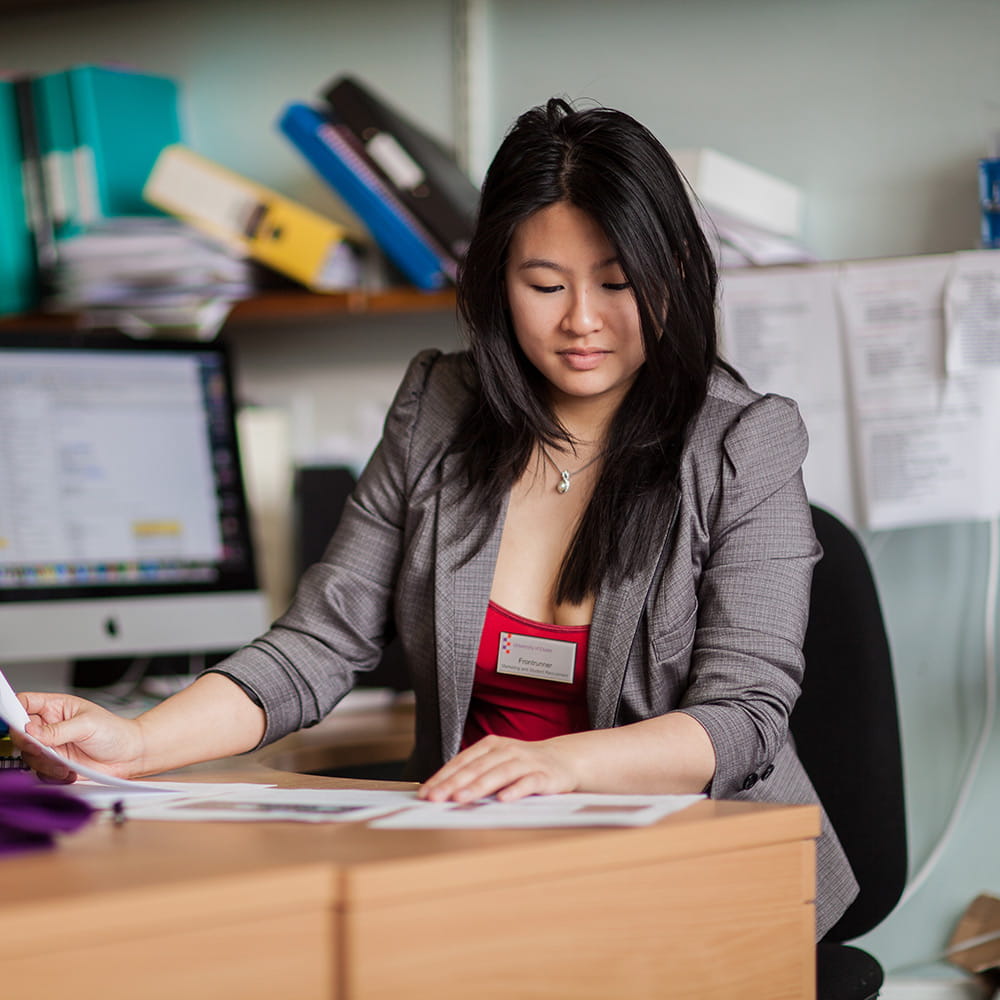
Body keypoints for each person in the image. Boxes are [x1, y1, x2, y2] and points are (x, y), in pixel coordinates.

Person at [14, 97, 858, 937]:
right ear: (497, 281)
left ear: (673, 271)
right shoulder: (438, 405)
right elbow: (318, 644)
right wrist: (138, 740)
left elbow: (744, 716)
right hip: (477, 866)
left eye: (617, 282)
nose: (582, 321)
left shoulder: (745, 438)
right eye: (545, 284)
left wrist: (559, 765)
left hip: (699, 877)